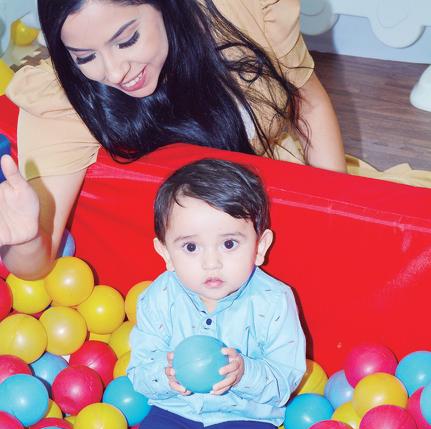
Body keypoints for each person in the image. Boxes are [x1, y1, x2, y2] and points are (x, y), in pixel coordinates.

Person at [0, 0, 346, 279]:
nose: (115, 71)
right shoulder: (64, 99)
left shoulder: (239, 11)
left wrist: (338, 210)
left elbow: (308, 105)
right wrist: (26, 239)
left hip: (282, 197)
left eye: (127, 40)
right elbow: (37, 263)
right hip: (180, 260)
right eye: (85, 57)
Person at [127, 157, 306, 429]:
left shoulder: (274, 300)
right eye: (191, 247)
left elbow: (284, 380)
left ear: (260, 246)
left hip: (246, 420)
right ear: (166, 253)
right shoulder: (158, 297)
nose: (212, 262)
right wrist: (165, 376)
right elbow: (138, 372)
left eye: (229, 243)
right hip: (174, 413)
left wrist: (244, 373)